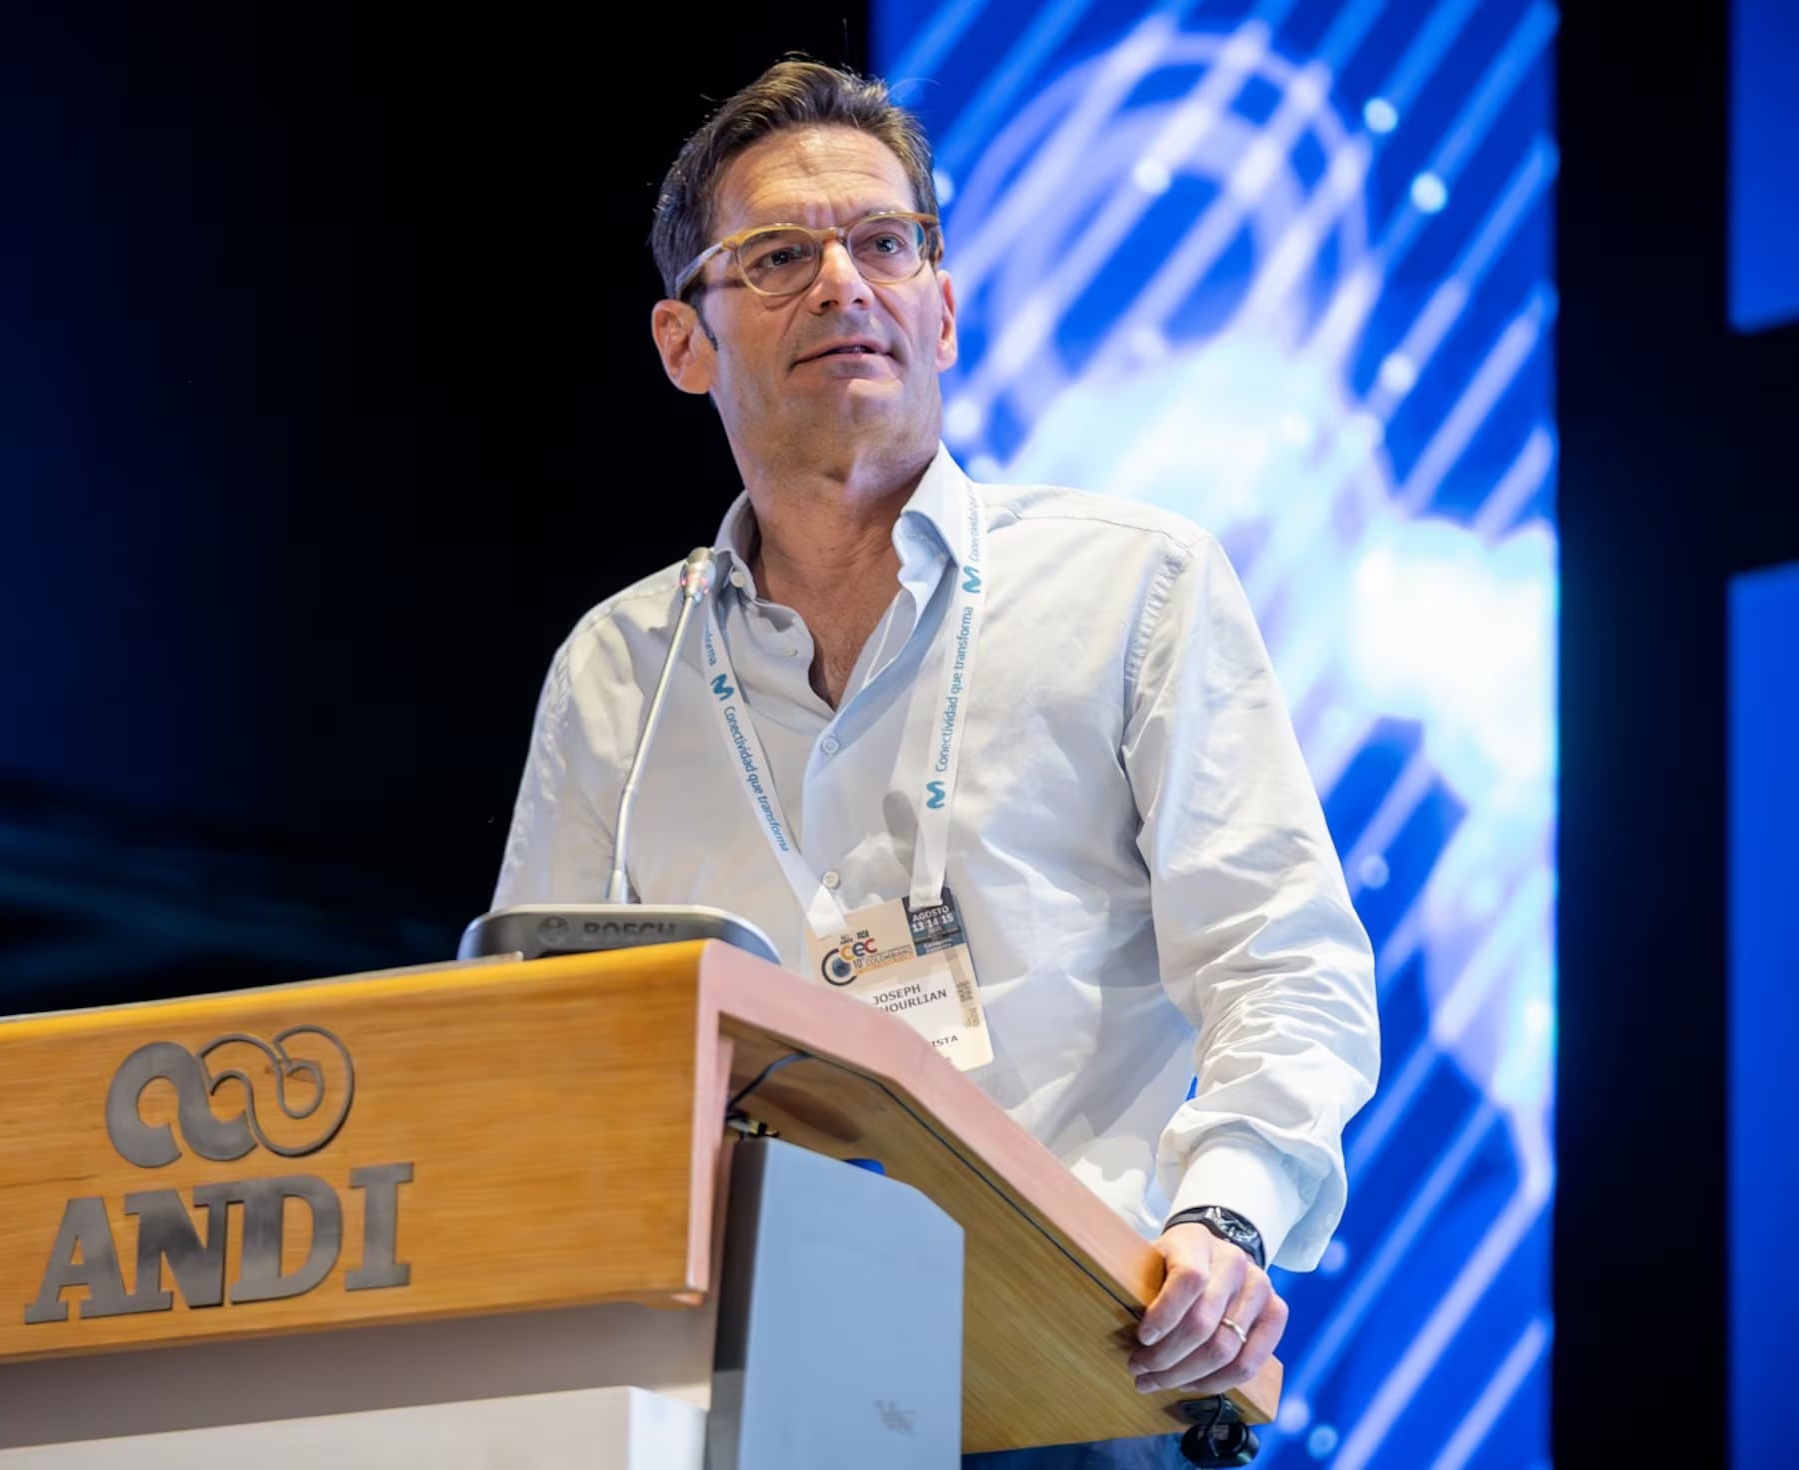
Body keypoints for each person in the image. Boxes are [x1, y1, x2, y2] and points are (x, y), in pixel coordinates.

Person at [492, 59, 1380, 1469]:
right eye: (778, 256)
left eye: (886, 242)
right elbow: (535, 1051)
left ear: (945, 309)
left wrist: (1225, 1216)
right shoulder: (619, 672)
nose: (844, 284)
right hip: (738, 1390)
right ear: (683, 342)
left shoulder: (1136, 585)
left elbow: (1285, 960)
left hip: (1084, 1371)